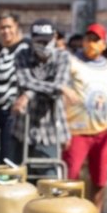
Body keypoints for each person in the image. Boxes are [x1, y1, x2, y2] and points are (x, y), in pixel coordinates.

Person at [63, 23, 107, 213]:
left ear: (104, 44)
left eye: (95, 40)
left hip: (102, 131)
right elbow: (61, 89)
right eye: (88, 38)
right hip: (76, 129)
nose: (90, 43)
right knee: (71, 175)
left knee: (100, 178)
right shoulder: (72, 61)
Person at [14, 19, 71, 178]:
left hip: (50, 130)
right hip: (23, 129)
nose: (44, 45)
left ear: (54, 38)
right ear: (31, 39)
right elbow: (24, 81)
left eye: (47, 41)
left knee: (49, 181)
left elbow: (59, 86)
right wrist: (52, 87)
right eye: (39, 41)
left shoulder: (63, 57)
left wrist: (28, 94)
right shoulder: (22, 55)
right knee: (21, 181)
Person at [0, 12, 26, 163]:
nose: (6, 31)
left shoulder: (25, 49)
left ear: (16, 27)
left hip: (13, 114)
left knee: (9, 158)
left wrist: (24, 97)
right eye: (2, 28)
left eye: (9, 27)